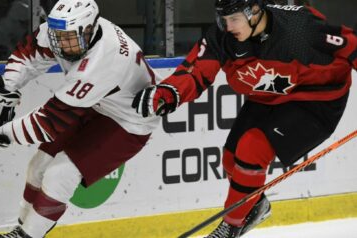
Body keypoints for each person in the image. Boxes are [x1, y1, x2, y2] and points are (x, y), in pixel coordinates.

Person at [132, 0, 357, 237]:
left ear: (256, 12)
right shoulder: (223, 36)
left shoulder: (299, 29)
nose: (227, 27)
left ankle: (230, 226)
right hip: (267, 98)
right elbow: (195, 70)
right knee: (231, 160)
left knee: (252, 148)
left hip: (316, 101)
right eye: (223, 19)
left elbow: (351, 44)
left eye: (234, 19)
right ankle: (256, 206)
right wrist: (168, 93)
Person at [0, 0, 161, 237]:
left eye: (67, 38)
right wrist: (6, 90)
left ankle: (28, 235)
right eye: (57, 36)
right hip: (98, 102)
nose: (60, 44)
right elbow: (29, 52)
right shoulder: (68, 30)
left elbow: (48, 123)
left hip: (130, 121)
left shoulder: (104, 61)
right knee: (38, 167)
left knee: (60, 174)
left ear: (89, 29)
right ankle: (21, 230)